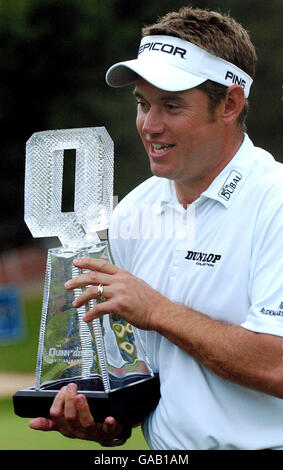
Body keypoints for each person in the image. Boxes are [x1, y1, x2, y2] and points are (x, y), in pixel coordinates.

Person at [29, 6, 283, 450]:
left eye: (171, 105)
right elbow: (138, 377)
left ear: (230, 104)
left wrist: (157, 311)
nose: (150, 125)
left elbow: (277, 367)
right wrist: (105, 419)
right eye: (143, 104)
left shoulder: (274, 201)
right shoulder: (131, 213)